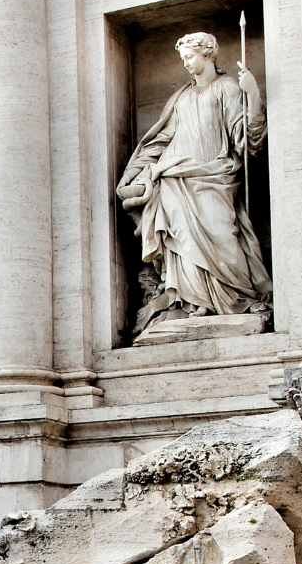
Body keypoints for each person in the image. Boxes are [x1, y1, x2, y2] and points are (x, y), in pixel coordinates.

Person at [116, 31, 271, 336]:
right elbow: (159, 140)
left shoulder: (227, 88)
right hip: (175, 177)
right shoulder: (181, 97)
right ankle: (191, 302)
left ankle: (237, 297)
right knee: (182, 240)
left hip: (215, 175)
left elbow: (249, 138)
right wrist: (134, 174)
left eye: (190, 57)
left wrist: (252, 94)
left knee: (223, 234)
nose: (186, 63)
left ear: (207, 55)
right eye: (183, 58)